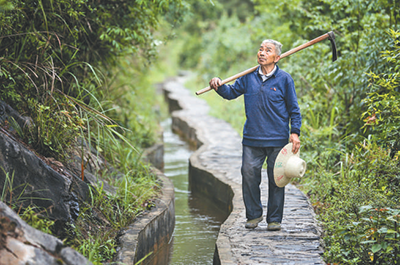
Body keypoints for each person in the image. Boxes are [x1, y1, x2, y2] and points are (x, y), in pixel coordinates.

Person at [209, 39, 302, 231]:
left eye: (268, 50)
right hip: (252, 138)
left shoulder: (285, 79)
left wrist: (295, 133)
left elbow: (294, 109)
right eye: (260, 49)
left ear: (277, 58)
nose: (262, 52)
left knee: (277, 179)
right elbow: (231, 92)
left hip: (277, 139)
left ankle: (274, 219)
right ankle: (254, 214)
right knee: (248, 173)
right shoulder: (248, 77)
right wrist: (218, 85)